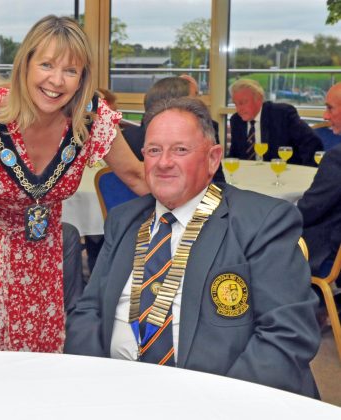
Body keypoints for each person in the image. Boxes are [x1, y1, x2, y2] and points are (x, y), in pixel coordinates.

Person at [65, 96, 321, 398]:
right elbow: (89, 310)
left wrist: (213, 408)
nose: (163, 163)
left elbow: (286, 336)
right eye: (154, 151)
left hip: (218, 400)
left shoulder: (262, 222)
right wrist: (92, 387)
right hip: (119, 393)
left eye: (180, 150)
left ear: (213, 159)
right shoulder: (124, 220)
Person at [0, 15, 147, 353]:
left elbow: (136, 176)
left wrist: (210, 205)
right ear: (25, 64)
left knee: (38, 354)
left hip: (41, 254)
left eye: (71, 71)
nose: (56, 81)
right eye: (46, 65)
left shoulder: (91, 118)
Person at [123, 77, 225, 183]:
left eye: (181, 149)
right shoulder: (128, 141)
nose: (163, 163)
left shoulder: (127, 136)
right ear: (174, 105)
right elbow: (217, 183)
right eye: (195, 97)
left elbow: (217, 182)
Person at [298, 82, 341, 281]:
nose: (325, 116)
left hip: (327, 256)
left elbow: (307, 212)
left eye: (330, 108)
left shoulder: (337, 158)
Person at [228, 78, 322, 165]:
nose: (238, 109)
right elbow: (234, 154)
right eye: (235, 104)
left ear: (259, 99)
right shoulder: (236, 121)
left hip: (281, 173)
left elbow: (311, 142)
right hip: (246, 177)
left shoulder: (282, 114)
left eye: (243, 103)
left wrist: (304, 171)